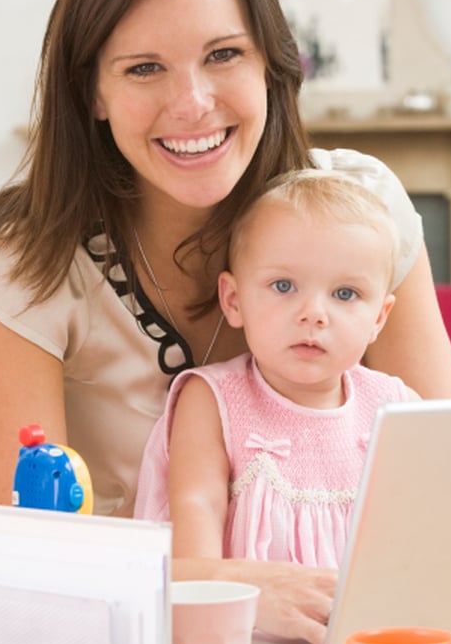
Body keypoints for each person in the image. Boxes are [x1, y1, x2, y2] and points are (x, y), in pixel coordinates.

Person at [0, 0, 451, 644]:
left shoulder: (362, 213)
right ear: (91, 91)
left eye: (223, 55)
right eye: (143, 68)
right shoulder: (27, 263)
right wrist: (227, 591)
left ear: (272, 68)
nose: (191, 104)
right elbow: (22, 561)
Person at [133, 168, 420, 571]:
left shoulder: (397, 407)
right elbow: (196, 508)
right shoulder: (213, 400)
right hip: (251, 623)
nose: (314, 315)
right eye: (284, 286)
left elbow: (431, 521)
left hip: (368, 627)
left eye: (345, 293)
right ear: (233, 299)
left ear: (379, 317)